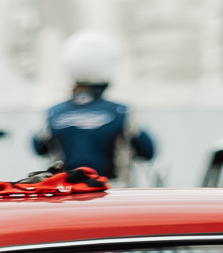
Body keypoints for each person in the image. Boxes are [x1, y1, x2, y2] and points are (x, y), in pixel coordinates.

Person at [33, 31, 155, 184]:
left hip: (67, 191)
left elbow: (38, 148)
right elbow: (148, 152)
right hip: (111, 189)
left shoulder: (54, 113)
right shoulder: (121, 112)